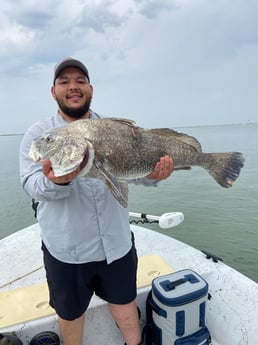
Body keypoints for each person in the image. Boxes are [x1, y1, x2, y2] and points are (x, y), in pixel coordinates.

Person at [19, 58, 174, 345]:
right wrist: (57, 182)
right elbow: (31, 184)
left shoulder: (114, 129)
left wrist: (155, 175)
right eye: (64, 82)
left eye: (79, 81)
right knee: (70, 316)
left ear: (90, 89)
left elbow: (133, 173)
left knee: (126, 306)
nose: (73, 87)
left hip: (115, 245)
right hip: (67, 252)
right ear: (53, 91)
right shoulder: (40, 136)